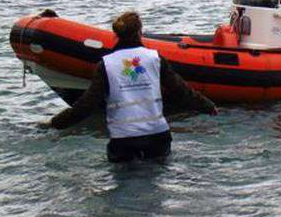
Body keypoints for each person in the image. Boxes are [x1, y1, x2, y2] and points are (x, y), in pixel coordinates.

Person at [41, 12, 217, 162]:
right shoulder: (155, 59)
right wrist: (208, 107)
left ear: (116, 35)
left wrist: (56, 123)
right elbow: (181, 91)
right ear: (140, 32)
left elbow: (87, 104)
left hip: (124, 140)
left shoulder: (106, 65)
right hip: (157, 137)